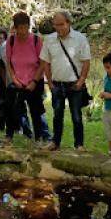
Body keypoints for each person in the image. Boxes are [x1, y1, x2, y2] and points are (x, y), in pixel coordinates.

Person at [39, 10, 91, 151]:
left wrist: (81, 81)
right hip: (57, 84)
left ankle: (79, 144)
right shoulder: (49, 39)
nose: (58, 28)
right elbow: (46, 62)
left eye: (61, 24)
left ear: (68, 23)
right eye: (56, 25)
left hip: (75, 84)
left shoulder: (80, 38)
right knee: (57, 116)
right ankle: (55, 142)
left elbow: (86, 61)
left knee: (76, 116)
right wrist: (49, 82)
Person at [4, 12, 45, 144]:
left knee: (36, 111)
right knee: (11, 109)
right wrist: (14, 79)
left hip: (34, 81)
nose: (23, 31)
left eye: (25, 27)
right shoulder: (10, 41)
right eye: (20, 28)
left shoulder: (36, 40)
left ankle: (38, 137)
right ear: (15, 28)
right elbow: (8, 62)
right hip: (17, 82)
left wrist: (34, 81)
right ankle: (9, 135)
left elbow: (43, 63)